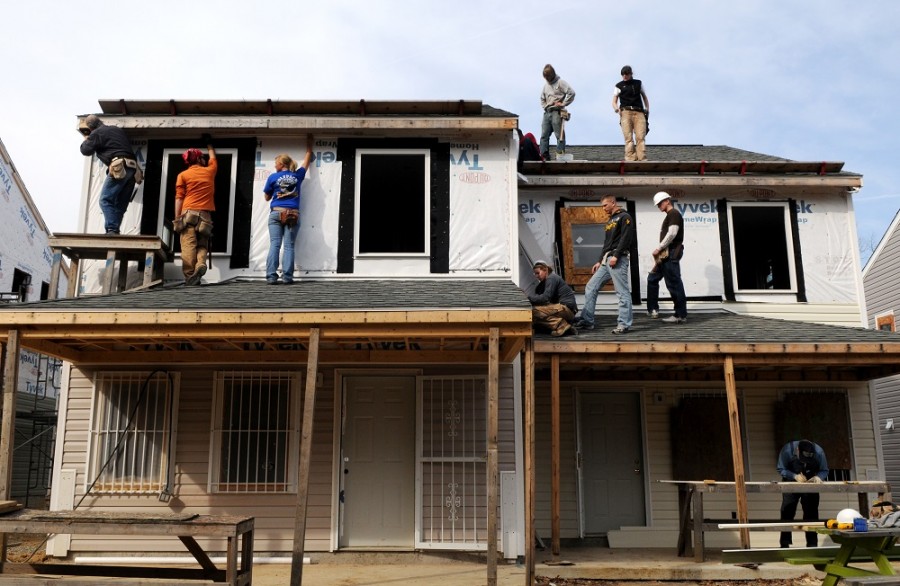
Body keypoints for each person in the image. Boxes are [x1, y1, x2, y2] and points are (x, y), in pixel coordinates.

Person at [574, 195, 634, 334]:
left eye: (605, 205)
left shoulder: (625, 217)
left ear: (613, 203)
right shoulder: (610, 220)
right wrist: (599, 260)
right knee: (591, 286)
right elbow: (607, 243)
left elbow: (626, 238)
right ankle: (587, 321)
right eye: (602, 206)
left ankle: (624, 324)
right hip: (607, 259)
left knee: (622, 292)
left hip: (617, 258)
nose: (603, 208)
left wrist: (617, 255)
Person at [263, 137, 313, 285]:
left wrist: (275, 192)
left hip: (276, 213)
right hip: (292, 214)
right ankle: (287, 277)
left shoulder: (273, 177)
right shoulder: (297, 175)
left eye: (275, 163)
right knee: (289, 246)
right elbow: (306, 163)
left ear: (281, 164)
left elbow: (266, 197)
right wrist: (309, 148)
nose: (274, 165)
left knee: (275, 244)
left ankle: (271, 277)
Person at [78, 114, 140, 234]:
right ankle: (114, 230)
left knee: (105, 200)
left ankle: (112, 229)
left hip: (120, 167)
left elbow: (85, 150)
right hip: (133, 170)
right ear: (100, 121)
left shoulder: (96, 133)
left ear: (91, 128)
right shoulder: (117, 130)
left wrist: (87, 139)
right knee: (120, 204)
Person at [174, 140, 217, 286]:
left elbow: (179, 198)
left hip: (188, 214)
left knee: (188, 246)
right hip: (205, 216)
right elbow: (213, 159)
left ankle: (190, 276)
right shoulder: (210, 171)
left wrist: (177, 217)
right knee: (202, 245)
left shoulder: (183, 175)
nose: (205, 159)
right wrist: (209, 145)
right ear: (198, 159)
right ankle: (200, 264)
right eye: (202, 157)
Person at [777, 439, 828, 548]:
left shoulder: (819, 452)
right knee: (787, 510)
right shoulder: (787, 450)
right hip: (791, 480)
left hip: (810, 481)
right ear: (797, 450)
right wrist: (794, 476)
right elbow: (781, 468)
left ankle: (812, 544)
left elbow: (824, 470)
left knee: (811, 512)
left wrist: (819, 477)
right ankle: (785, 543)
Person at [646, 191, 688, 323]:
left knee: (674, 283)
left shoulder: (674, 214)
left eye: (660, 203)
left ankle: (680, 315)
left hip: (671, 253)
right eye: (657, 204)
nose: (658, 206)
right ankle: (653, 309)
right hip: (665, 255)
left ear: (667, 201)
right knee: (652, 278)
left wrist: (659, 248)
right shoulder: (670, 215)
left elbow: (672, 233)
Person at [528, 260, 578, 337]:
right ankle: (567, 328)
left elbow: (545, 298)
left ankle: (561, 325)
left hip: (566, 308)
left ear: (545, 270)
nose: (536, 276)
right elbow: (539, 299)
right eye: (535, 274)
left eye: (538, 273)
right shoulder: (542, 285)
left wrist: (528, 298)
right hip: (561, 309)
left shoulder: (552, 278)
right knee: (533, 316)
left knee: (534, 311)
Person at [612, 65, 650, 162]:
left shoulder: (638, 83)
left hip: (639, 112)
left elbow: (644, 97)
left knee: (640, 136)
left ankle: (642, 158)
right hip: (625, 112)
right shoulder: (619, 85)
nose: (624, 76)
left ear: (630, 74)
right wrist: (617, 109)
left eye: (626, 74)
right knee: (628, 137)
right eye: (623, 74)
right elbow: (614, 101)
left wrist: (647, 109)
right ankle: (630, 158)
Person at [539, 64, 575, 160]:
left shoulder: (560, 82)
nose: (547, 79)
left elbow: (571, 93)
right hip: (547, 112)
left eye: (548, 77)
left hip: (556, 111)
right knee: (544, 135)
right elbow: (542, 99)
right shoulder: (545, 86)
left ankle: (560, 154)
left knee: (559, 135)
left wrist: (563, 103)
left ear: (552, 75)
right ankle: (544, 155)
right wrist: (545, 106)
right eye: (545, 77)